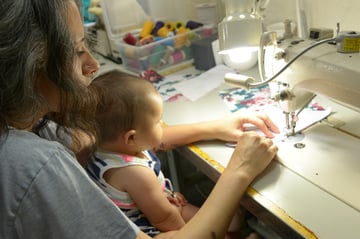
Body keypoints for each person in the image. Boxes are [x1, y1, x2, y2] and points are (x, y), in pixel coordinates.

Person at [0, 0, 279, 239]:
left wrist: (215, 127)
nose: (93, 65)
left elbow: (123, 140)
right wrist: (239, 169)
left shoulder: (42, 127)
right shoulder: (32, 163)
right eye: (77, 50)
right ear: (32, 62)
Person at [87, 70, 247, 238]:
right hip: (154, 227)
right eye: (157, 122)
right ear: (131, 137)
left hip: (160, 204)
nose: (162, 125)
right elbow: (164, 219)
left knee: (233, 222)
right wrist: (189, 231)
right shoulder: (134, 172)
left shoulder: (107, 146)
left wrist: (165, 196)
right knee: (225, 230)